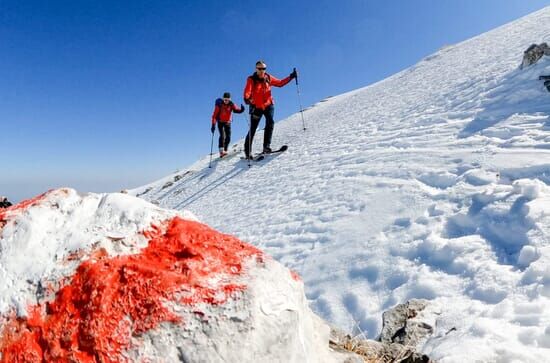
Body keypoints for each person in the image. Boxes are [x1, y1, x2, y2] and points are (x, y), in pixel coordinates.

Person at [243, 60, 297, 159]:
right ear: (256, 69)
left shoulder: (268, 77)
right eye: (260, 68)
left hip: (268, 105)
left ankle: (266, 147)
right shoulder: (251, 79)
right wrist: (247, 98)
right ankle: (247, 152)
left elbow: (280, 83)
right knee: (253, 128)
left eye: (264, 68)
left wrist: (291, 77)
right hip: (256, 107)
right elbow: (248, 90)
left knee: (270, 122)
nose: (262, 70)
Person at [211, 92, 245, 157]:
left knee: (228, 136)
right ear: (223, 99)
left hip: (227, 122)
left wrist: (241, 110)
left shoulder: (231, 104)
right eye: (225, 99)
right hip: (220, 122)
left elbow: (236, 110)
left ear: (230, 99)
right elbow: (214, 116)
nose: (226, 101)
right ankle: (221, 151)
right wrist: (213, 125)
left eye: (227, 100)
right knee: (222, 135)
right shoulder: (219, 105)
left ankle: (225, 150)